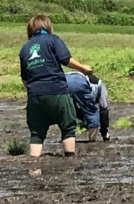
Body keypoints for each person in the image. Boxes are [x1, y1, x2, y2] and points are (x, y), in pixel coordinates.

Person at [19, 15, 92, 157]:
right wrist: (83, 68)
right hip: (56, 90)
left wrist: (33, 91)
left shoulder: (25, 48)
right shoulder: (53, 40)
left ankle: (34, 166)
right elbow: (66, 60)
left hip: (35, 96)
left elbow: (25, 79)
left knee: (36, 133)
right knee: (68, 126)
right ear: (48, 27)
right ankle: (69, 160)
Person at [65, 72, 111, 142]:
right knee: (92, 112)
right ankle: (92, 141)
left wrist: (85, 120)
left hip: (63, 80)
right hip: (78, 82)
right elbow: (104, 111)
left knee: (69, 110)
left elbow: (77, 110)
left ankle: (66, 138)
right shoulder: (102, 88)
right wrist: (104, 132)